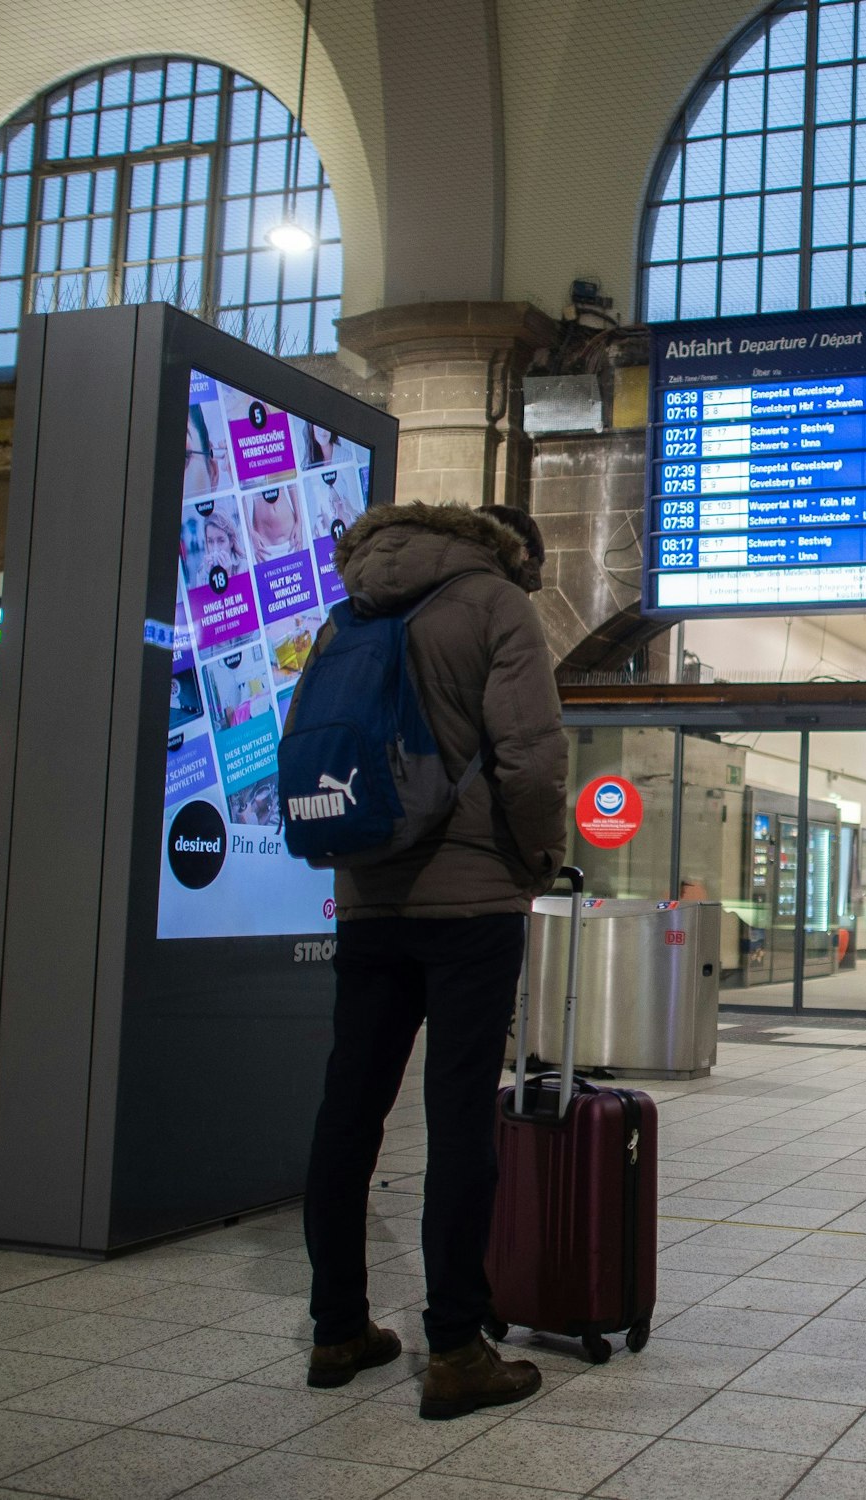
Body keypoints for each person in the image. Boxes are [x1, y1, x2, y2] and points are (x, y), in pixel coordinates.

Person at [300, 501, 568, 1421]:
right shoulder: (495, 603)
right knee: (459, 1121)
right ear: (511, 549)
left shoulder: (351, 611)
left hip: (371, 898)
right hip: (471, 900)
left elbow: (306, 749)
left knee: (349, 1112)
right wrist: (536, 857)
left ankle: (338, 1327)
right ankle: (455, 1348)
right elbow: (531, 757)